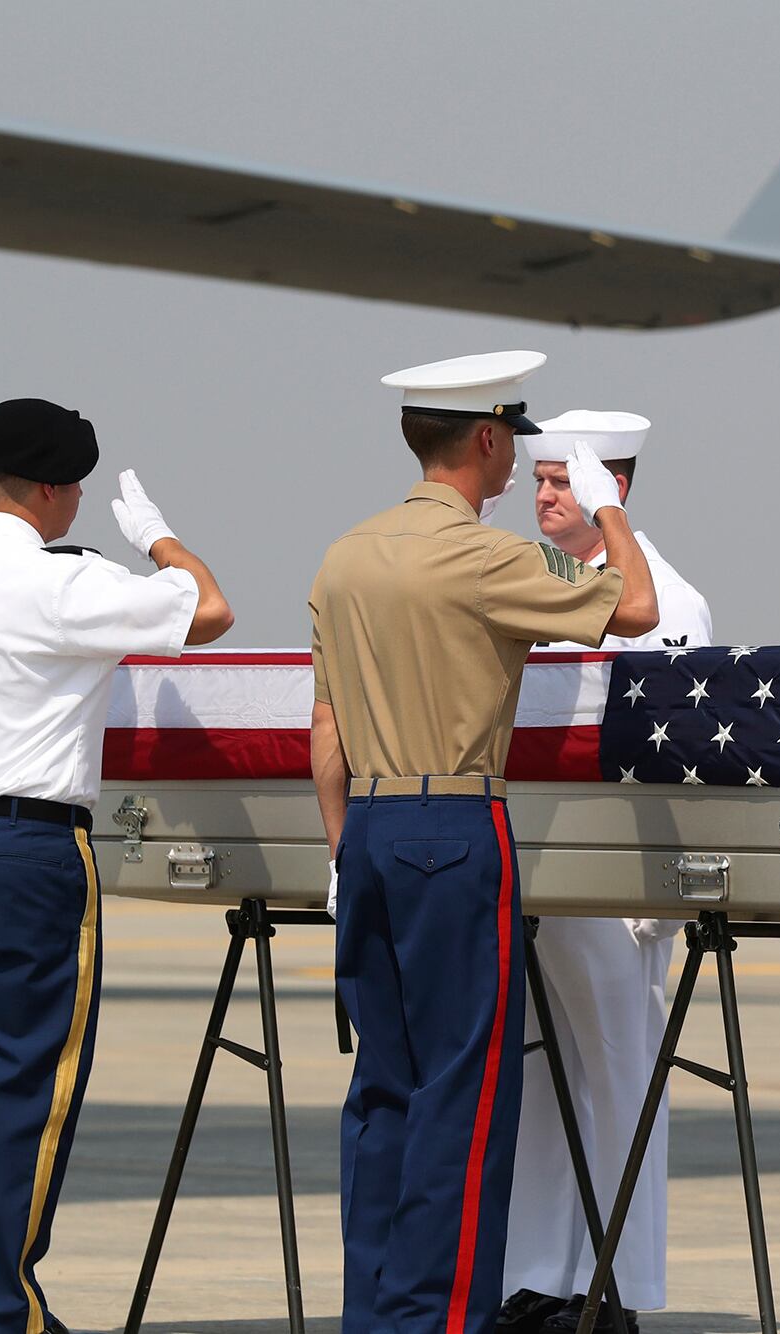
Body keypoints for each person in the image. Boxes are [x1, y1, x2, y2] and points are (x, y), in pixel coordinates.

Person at [0, 397, 234, 1334]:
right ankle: (1, 1313)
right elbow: (212, 611)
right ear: (56, 492)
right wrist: (159, 539)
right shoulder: (55, 584)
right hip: (28, 854)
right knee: (27, 1091)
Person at [307, 352, 661, 1334]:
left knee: (384, 1089)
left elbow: (325, 727)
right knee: (461, 1096)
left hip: (367, 829)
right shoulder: (485, 555)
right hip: (453, 825)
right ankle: (435, 1319)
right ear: (488, 439)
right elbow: (635, 608)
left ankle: (375, 1311)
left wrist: (342, 849)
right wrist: (609, 514)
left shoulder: (343, 556)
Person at [500, 411, 712, 1334]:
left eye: (559, 483)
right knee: (544, 1074)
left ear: (606, 490)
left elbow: (669, 749)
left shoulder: (666, 595)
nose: (540, 495)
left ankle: (617, 1285)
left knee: (621, 1071)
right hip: (542, 867)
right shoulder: (545, 581)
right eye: (539, 481)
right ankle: (540, 1277)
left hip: (617, 879)